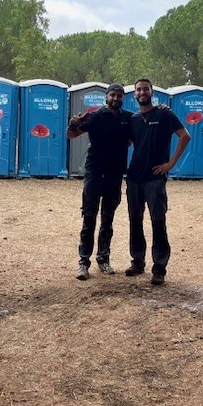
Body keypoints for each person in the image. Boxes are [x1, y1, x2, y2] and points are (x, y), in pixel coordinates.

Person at [125, 78, 191, 286]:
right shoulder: (133, 119)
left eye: (146, 89)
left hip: (155, 179)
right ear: (134, 95)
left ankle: (159, 268)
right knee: (135, 221)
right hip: (134, 178)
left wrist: (170, 163)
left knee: (158, 221)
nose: (142, 92)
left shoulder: (164, 114)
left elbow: (185, 136)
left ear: (152, 92)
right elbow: (124, 143)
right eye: (138, 90)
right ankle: (137, 261)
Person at [67, 83, 132, 280]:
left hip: (114, 175)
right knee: (89, 218)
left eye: (119, 96)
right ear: (106, 97)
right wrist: (73, 123)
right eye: (112, 95)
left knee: (108, 219)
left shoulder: (127, 118)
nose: (116, 99)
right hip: (94, 173)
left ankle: (103, 259)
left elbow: (131, 139)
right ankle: (83, 262)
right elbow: (71, 135)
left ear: (123, 98)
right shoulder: (95, 116)